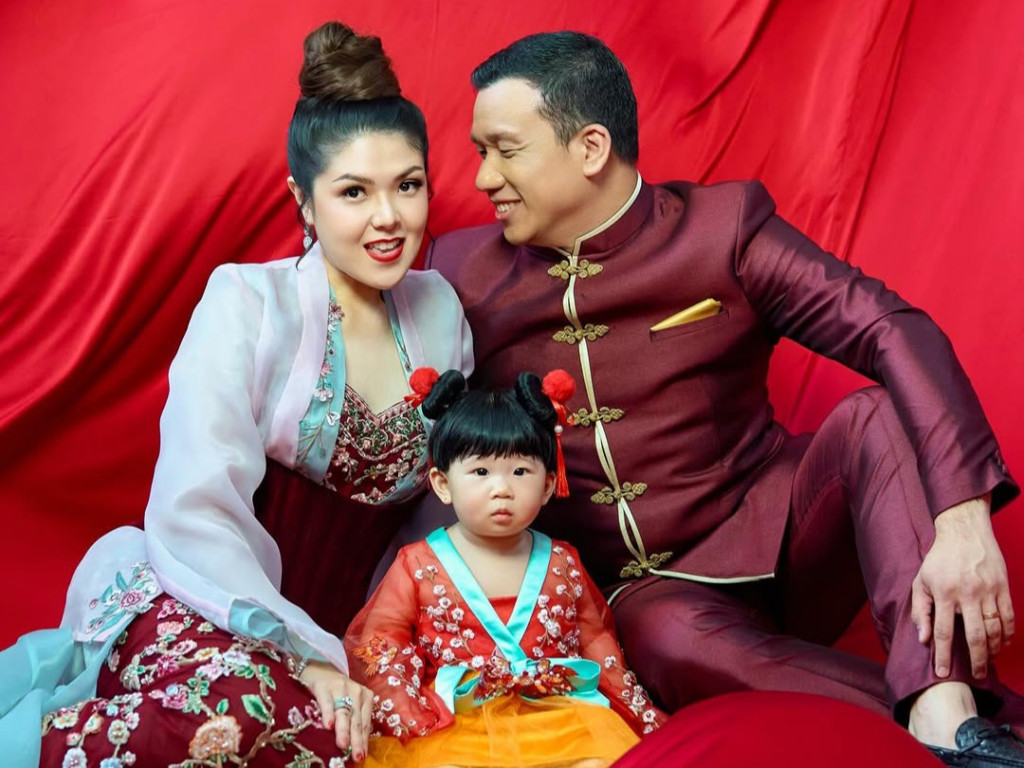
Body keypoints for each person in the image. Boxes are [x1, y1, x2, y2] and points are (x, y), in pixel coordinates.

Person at [424, 30, 1024, 766]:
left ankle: (945, 709)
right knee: (662, 635)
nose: (483, 176)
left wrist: (962, 515)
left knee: (873, 411)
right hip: (653, 599)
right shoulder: (460, 272)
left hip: (783, 533)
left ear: (590, 148)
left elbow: (890, 328)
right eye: (479, 151)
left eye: (505, 150)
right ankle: (964, 733)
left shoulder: (724, 228)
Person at [0, 21, 472, 768]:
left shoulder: (441, 311)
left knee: (344, 740)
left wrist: (374, 648)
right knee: (249, 714)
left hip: (353, 629)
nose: (389, 217)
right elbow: (198, 500)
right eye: (354, 192)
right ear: (303, 201)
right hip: (204, 590)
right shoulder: (247, 301)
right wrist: (303, 651)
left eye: (407, 185)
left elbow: (442, 505)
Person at [344, 368, 667, 768]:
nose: (502, 489)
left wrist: (639, 713)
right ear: (442, 484)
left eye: (520, 472)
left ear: (547, 485)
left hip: (560, 715)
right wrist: (408, 712)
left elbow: (596, 640)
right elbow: (383, 642)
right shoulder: (419, 563)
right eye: (481, 472)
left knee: (599, 763)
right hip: (459, 721)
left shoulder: (562, 562)